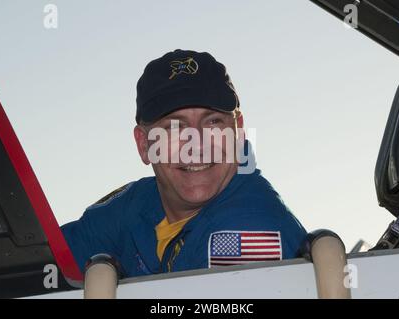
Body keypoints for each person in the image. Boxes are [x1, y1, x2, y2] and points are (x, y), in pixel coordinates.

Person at [61, 49, 307, 277]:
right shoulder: (141, 201)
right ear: (144, 145)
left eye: (213, 122)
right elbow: (44, 260)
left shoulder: (248, 233)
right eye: (174, 126)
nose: (197, 145)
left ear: (238, 132)